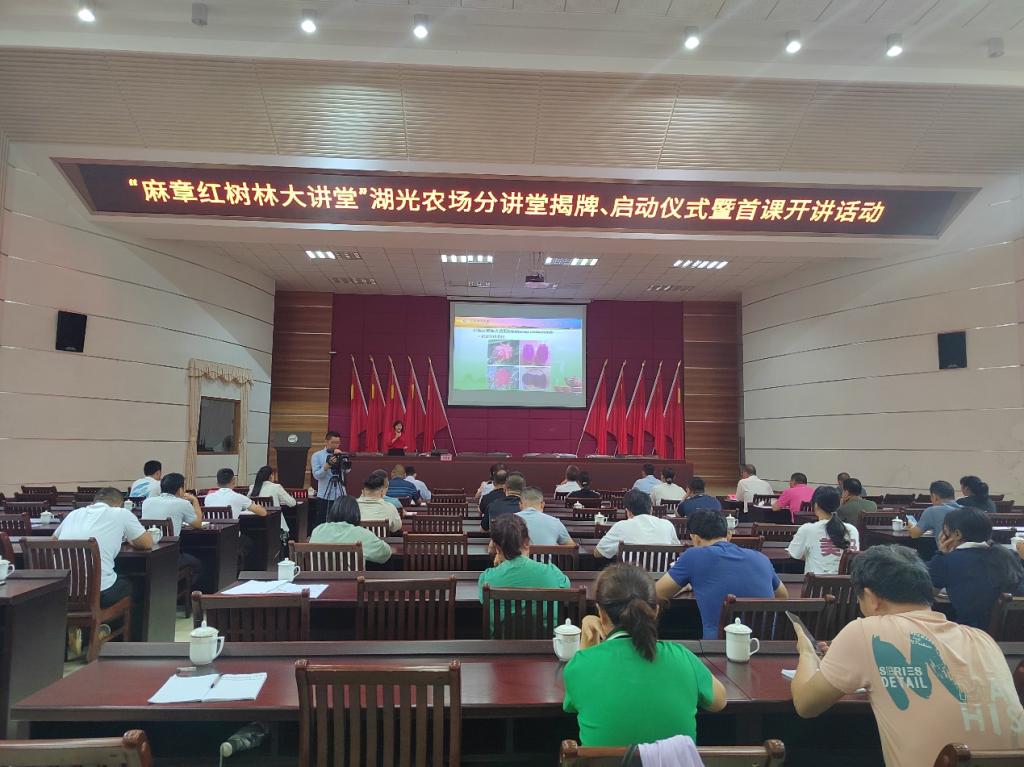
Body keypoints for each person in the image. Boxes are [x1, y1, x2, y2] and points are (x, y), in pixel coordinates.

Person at [790, 545, 1024, 767]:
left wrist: (808, 653)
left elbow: (805, 705)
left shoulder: (865, 631)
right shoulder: (982, 640)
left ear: (871, 597)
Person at [564, 564, 727, 747]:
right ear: (655, 611)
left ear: (600, 613)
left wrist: (588, 638)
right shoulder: (682, 657)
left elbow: (573, 703)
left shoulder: (581, 665)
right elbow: (719, 702)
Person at [656, 509, 786, 639]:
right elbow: (782, 596)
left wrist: (685, 587)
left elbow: (655, 593)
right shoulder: (761, 558)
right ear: (728, 535)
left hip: (718, 647)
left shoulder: (693, 556)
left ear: (695, 539)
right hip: (764, 644)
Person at [928, 506, 1024, 629]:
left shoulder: (946, 560)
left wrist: (941, 553)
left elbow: (927, 595)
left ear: (957, 534)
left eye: (945, 533)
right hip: (1016, 633)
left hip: (974, 633)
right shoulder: (1010, 555)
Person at [55, 487, 153, 606]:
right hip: (99, 593)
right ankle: (120, 619)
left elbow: (53, 541)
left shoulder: (73, 514)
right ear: (119, 504)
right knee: (139, 584)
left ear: (94, 502)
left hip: (63, 591)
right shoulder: (121, 513)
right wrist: (131, 540)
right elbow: (147, 543)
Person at [478, 514, 570, 599]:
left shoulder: (487, 579)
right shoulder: (553, 573)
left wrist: (498, 568)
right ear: (527, 542)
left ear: (497, 547)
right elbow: (566, 589)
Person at [140, 472, 204, 584]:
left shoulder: (147, 502)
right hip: (171, 556)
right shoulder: (183, 503)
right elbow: (198, 524)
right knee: (198, 565)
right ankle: (185, 591)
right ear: (180, 490)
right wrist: (195, 500)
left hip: (149, 553)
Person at [786, 486, 859, 575]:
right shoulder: (852, 530)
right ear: (839, 503)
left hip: (816, 583)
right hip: (847, 583)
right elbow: (854, 559)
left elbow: (794, 554)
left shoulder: (807, 529)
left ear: (815, 505)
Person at [595, 489, 680, 559]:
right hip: (662, 575)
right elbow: (678, 551)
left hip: (631, 574)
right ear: (651, 509)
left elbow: (598, 553)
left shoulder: (621, 526)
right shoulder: (667, 525)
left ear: (628, 511)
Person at [309, 496, 393, 565]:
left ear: (332, 512)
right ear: (356, 514)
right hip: (353, 580)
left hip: (318, 580)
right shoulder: (362, 534)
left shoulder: (318, 530)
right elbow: (385, 554)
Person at [311, 430, 349, 525]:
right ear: (326, 442)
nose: (336, 445)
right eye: (333, 442)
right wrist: (327, 466)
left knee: (340, 522)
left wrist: (343, 459)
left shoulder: (341, 454)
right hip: (325, 494)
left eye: (338, 443)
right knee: (323, 522)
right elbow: (316, 475)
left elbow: (347, 470)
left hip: (340, 494)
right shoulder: (317, 455)